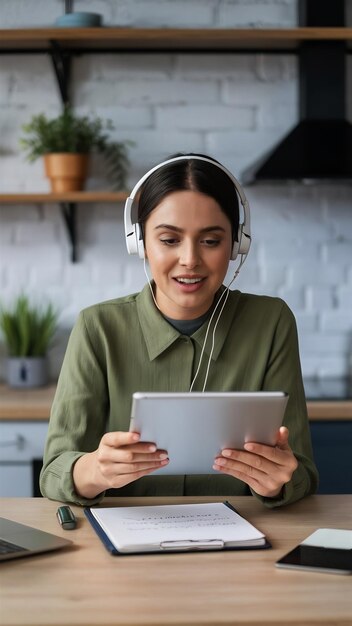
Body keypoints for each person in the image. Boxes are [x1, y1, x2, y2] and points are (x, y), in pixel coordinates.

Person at [40, 153, 318, 507]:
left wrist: (278, 481)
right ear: (140, 243)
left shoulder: (271, 321)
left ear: (237, 245)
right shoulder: (98, 327)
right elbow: (53, 472)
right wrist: (94, 470)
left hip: (243, 545)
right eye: (170, 240)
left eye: (211, 241)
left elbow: (303, 472)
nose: (189, 259)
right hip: (120, 547)